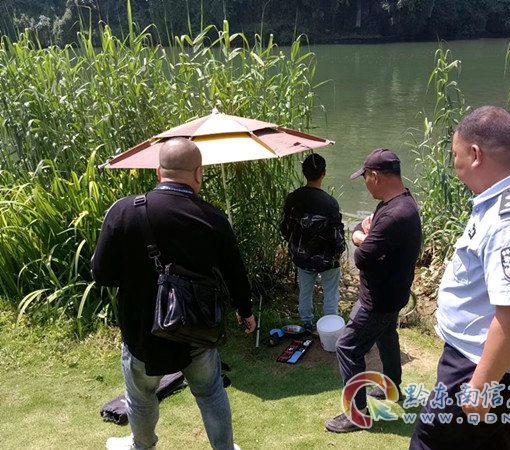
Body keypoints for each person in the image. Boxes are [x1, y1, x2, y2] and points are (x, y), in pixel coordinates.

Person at [409, 106, 510, 449]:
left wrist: (481, 386)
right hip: (494, 365)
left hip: (483, 366)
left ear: (475, 154)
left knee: (430, 442)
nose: (455, 165)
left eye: (456, 155)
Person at [91, 137, 255, 450]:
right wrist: (245, 310)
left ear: (158, 171)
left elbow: (101, 274)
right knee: (210, 393)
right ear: (198, 174)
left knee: (140, 396)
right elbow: (235, 273)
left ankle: (142, 446)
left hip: (141, 330)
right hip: (197, 329)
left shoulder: (123, 211)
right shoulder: (213, 218)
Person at [325, 148, 422, 433]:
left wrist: (360, 239)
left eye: (365, 177)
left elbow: (361, 257)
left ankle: (357, 414)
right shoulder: (395, 204)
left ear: (375, 176)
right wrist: (363, 234)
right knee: (386, 336)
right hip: (391, 294)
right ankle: (393, 387)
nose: (365, 184)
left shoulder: (395, 215)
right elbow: (363, 226)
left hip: (378, 299)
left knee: (347, 347)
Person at [280, 153, 346, 331]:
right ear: (324, 173)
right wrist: (340, 249)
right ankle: (331, 327)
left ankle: (307, 323)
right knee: (331, 293)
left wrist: (295, 246)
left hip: (302, 256)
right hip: (327, 259)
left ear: (304, 172)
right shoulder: (330, 203)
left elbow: (284, 227)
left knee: (305, 290)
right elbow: (336, 235)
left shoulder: (293, 198)